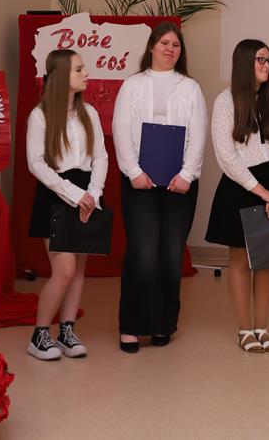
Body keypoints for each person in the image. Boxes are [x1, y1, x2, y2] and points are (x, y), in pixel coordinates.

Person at [112, 22, 207, 353]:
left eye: (176, 45)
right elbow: (121, 128)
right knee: (142, 253)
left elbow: (198, 133)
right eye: (164, 43)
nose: (170, 49)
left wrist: (187, 174)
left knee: (169, 254)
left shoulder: (190, 88)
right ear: (151, 46)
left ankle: (163, 324)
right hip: (139, 183)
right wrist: (133, 171)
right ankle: (132, 327)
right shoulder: (133, 85)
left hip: (180, 184)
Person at [205, 40, 269, 353]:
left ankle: (262, 327)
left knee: (267, 259)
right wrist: (260, 191)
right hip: (241, 185)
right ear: (244, 62)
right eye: (261, 59)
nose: (266, 65)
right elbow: (225, 154)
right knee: (239, 260)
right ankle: (244, 329)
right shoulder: (225, 101)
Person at [25, 50, 107, 361]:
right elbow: (36, 164)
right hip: (55, 194)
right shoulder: (40, 115)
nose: (86, 74)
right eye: (79, 69)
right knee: (64, 268)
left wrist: (93, 194)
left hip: (88, 194)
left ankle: (67, 331)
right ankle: (39, 334)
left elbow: (100, 157)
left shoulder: (90, 113)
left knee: (79, 268)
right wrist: (74, 194)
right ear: (61, 76)